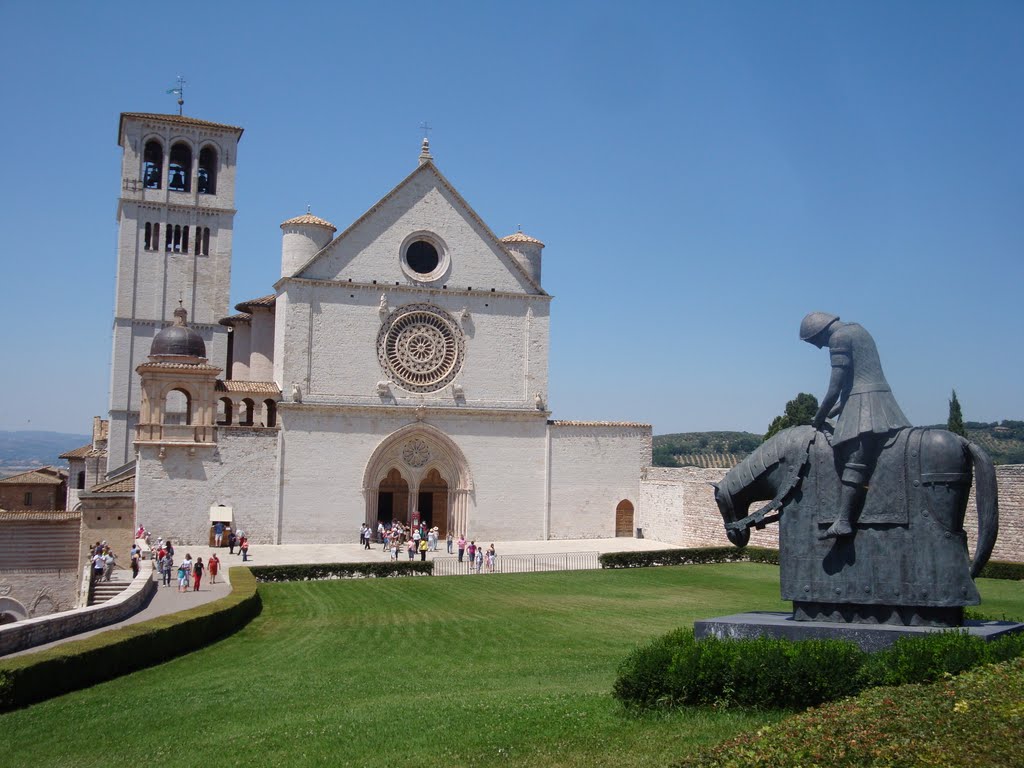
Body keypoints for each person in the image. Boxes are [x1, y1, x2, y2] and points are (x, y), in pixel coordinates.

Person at [801, 312, 911, 539]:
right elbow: (851, 389)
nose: (820, 347)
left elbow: (835, 387)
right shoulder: (859, 330)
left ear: (820, 332)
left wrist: (819, 418)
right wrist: (830, 413)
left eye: (815, 342)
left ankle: (843, 520)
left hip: (866, 405)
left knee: (854, 459)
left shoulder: (838, 338)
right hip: (874, 400)